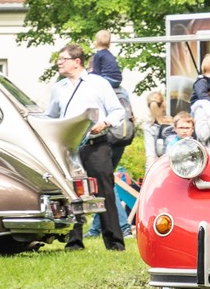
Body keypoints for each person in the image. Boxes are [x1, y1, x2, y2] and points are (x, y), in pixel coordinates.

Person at [46, 42, 127, 252]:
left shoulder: (98, 83)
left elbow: (117, 111)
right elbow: (51, 117)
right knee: (71, 192)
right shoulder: (58, 88)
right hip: (69, 148)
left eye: (62, 59)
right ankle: (74, 242)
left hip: (96, 144)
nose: (59, 64)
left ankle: (115, 243)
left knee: (105, 192)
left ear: (76, 62)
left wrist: (105, 124)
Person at [142, 90, 172, 167]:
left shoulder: (149, 127)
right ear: (164, 104)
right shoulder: (173, 123)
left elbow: (150, 154)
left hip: (158, 167)